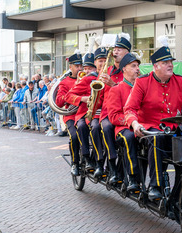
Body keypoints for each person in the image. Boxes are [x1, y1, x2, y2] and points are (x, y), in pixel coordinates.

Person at [123, 39, 182, 201]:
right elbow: (130, 109)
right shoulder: (142, 82)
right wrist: (135, 123)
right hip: (150, 129)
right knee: (157, 138)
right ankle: (155, 185)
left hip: (173, 130)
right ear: (155, 66)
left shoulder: (179, 81)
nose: (170, 65)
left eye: (171, 62)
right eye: (165, 62)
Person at [64, 48, 107, 178]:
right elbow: (66, 97)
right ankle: (85, 158)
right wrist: (82, 99)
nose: (87, 71)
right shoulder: (86, 79)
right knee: (81, 128)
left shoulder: (104, 77)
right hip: (84, 113)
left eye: (90, 68)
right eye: (85, 68)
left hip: (102, 113)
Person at [98, 34, 131, 180]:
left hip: (126, 112)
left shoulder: (131, 70)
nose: (115, 52)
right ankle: (111, 165)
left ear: (127, 53)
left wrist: (113, 84)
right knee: (106, 127)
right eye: (115, 49)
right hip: (107, 112)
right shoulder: (108, 69)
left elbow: (132, 93)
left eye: (119, 49)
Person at [107, 53, 141, 191]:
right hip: (123, 128)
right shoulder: (116, 89)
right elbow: (113, 116)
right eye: (133, 66)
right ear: (124, 69)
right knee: (129, 137)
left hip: (141, 126)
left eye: (138, 66)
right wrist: (131, 122)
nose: (137, 69)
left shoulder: (142, 87)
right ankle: (132, 178)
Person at [55, 50, 84, 176]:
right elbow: (59, 102)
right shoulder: (64, 82)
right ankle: (75, 163)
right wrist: (72, 92)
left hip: (84, 114)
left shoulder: (86, 79)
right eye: (76, 66)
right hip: (71, 115)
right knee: (74, 136)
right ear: (70, 67)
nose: (79, 69)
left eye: (80, 66)